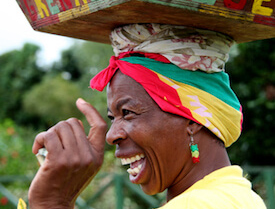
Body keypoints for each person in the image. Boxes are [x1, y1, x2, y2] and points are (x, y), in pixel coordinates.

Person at [27, 24, 267, 209]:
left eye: (128, 113)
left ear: (193, 120)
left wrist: (50, 202)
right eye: (112, 118)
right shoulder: (240, 196)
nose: (111, 136)